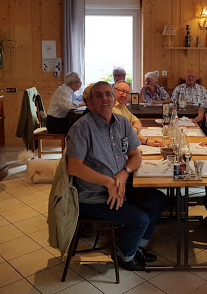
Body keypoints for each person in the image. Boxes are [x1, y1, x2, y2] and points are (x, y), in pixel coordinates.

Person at [67, 81, 166, 271]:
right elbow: (74, 167)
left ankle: (135, 248)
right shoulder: (81, 128)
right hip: (93, 196)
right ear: (89, 103)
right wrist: (108, 182)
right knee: (140, 219)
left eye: (108, 94)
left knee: (158, 200)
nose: (104, 98)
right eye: (98, 95)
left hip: (121, 187)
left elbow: (135, 155)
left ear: (114, 100)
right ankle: (124, 256)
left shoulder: (122, 123)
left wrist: (123, 174)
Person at [113, 81, 164, 147]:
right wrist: (147, 141)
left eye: (128, 93)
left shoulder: (122, 105)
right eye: (122, 91)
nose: (125, 95)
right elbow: (124, 134)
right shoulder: (110, 109)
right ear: (113, 90)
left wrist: (135, 130)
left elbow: (137, 121)